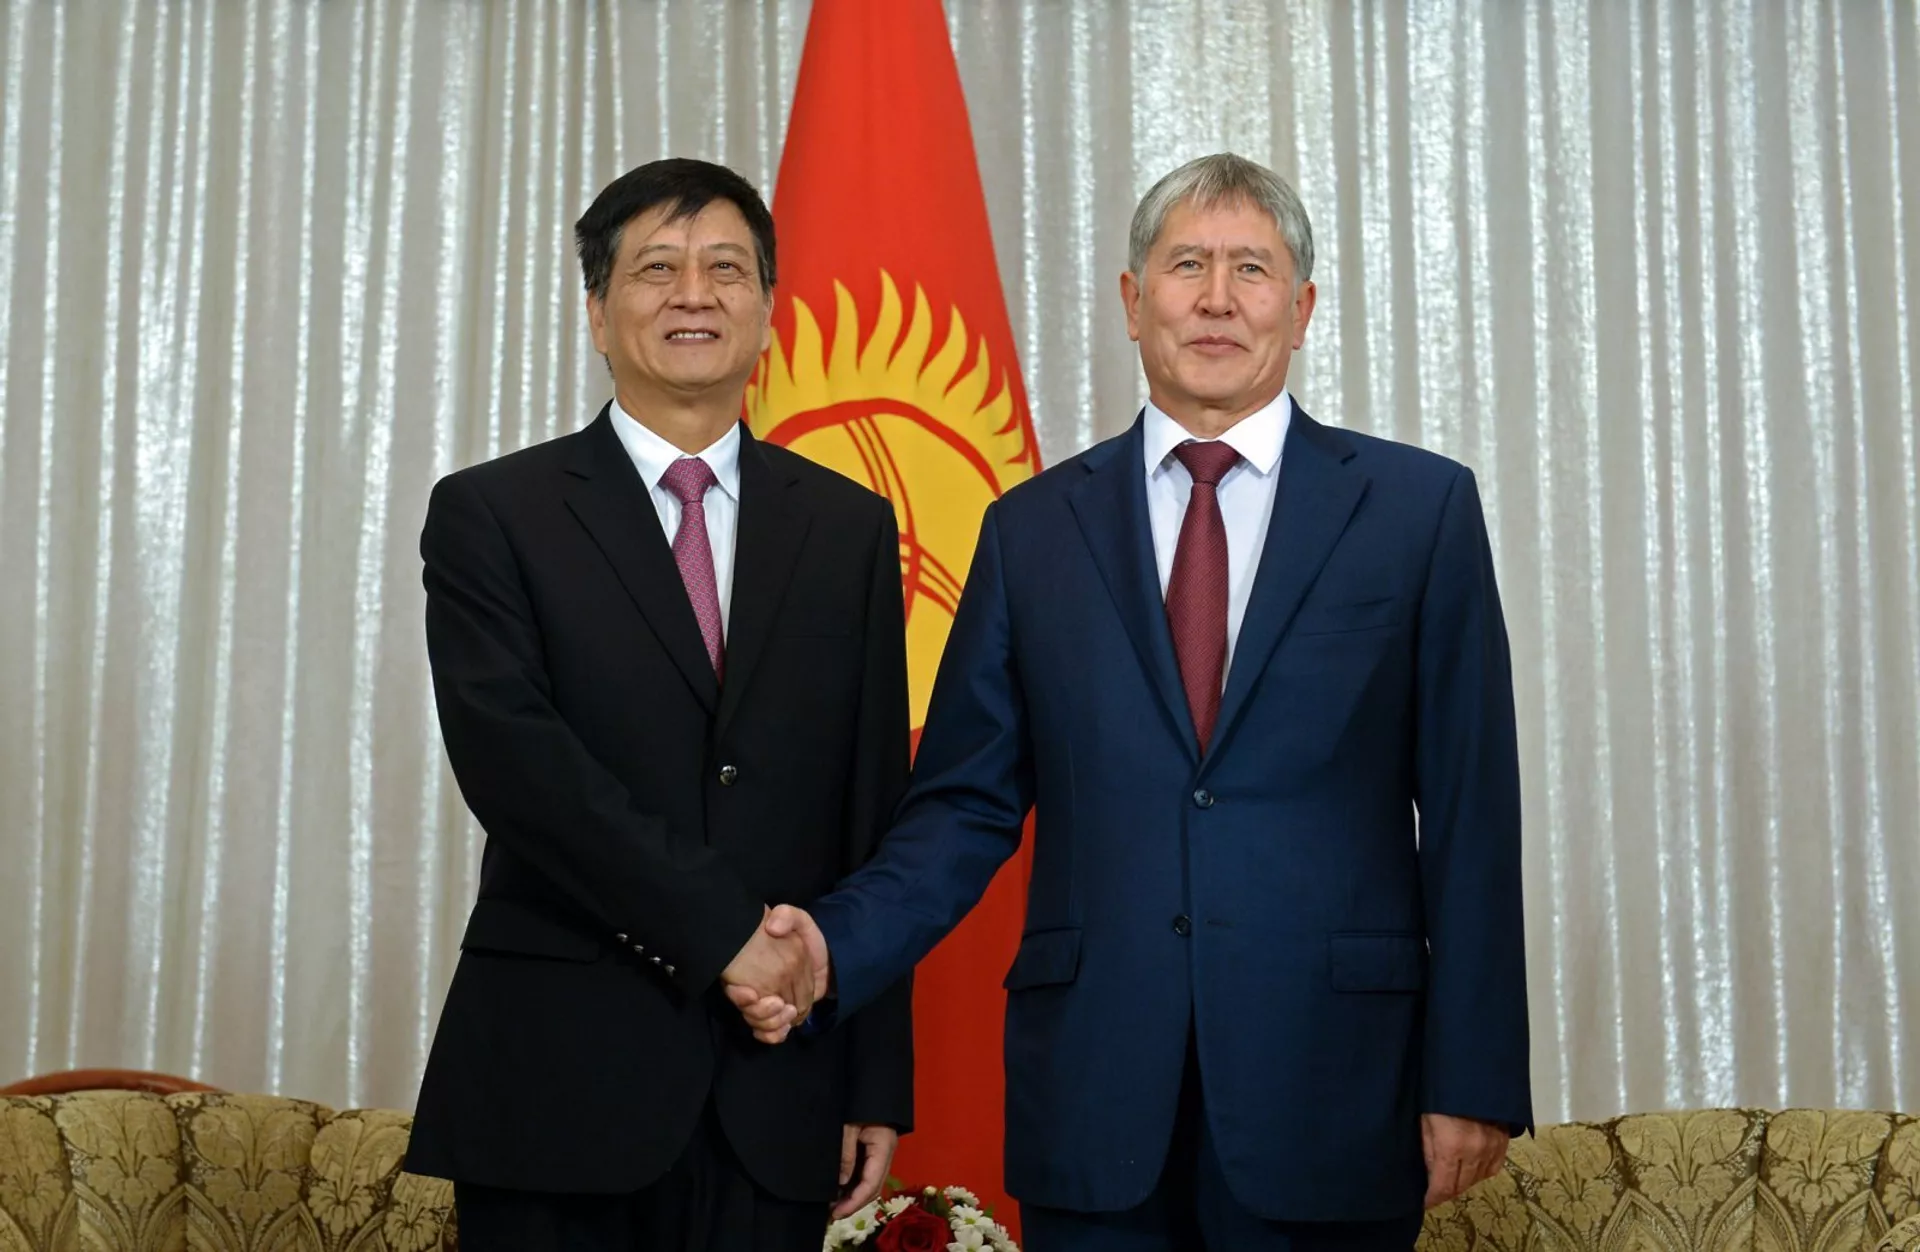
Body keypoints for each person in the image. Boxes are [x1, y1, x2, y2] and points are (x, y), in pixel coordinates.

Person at [733, 153, 1530, 1252]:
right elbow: (963, 805)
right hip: (1095, 1089)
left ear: (1301, 309)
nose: (1217, 298)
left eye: (1252, 269)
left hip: (1335, 1082)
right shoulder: (1031, 530)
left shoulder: (1418, 510)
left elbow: (1472, 809)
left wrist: (1473, 1072)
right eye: (1187, 264)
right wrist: (829, 947)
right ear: (1131, 299)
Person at [405, 157, 913, 1252]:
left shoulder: (850, 528)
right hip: (559, 1079)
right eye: (657, 269)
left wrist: (872, 1071)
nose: (695, 293)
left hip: (778, 1082)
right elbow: (521, 771)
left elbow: (872, 806)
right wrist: (728, 936)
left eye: (726, 269)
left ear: (768, 310)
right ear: (598, 312)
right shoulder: (495, 513)